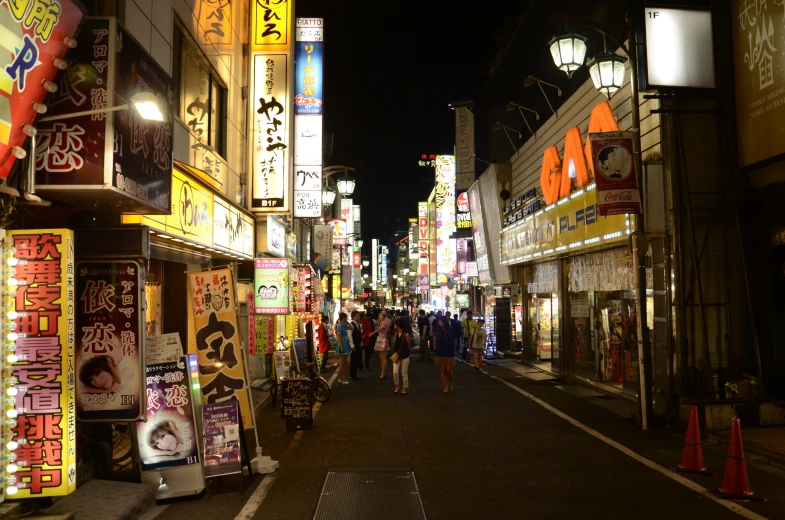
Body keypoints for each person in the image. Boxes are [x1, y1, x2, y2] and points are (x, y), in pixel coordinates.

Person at [434, 316, 456, 393]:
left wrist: (454, 348)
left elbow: (454, 340)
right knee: (443, 369)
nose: (440, 323)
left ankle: (450, 384)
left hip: (449, 350)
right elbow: (435, 339)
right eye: (439, 321)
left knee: (449, 369)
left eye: (441, 321)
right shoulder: (437, 330)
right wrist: (435, 348)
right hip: (440, 350)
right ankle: (445, 386)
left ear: (445, 322)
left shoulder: (450, 330)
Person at [392, 318, 412, 395]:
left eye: (396, 324)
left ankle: (404, 388)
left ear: (398, 325)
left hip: (405, 355)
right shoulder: (396, 334)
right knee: (395, 372)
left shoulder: (406, 334)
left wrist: (406, 351)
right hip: (397, 355)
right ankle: (397, 386)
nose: (394, 325)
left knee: (404, 373)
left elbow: (409, 345)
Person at [371, 309, 391, 379]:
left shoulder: (385, 322)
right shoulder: (381, 322)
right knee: (381, 358)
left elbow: (379, 330)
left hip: (382, 339)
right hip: (380, 338)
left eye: (381, 315)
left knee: (383, 358)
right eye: (379, 315)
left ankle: (383, 374)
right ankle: (383, 373)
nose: (380, 316)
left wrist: (372, 333)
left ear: (384, 316)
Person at [335, 312, 352, 384]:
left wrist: (347, 322)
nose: (346, 319)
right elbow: (338, 337)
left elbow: (351, 327)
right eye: (345, 318)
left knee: (344, 362)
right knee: (342, 363)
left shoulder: (344, 325)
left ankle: (341, 378)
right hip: (343, 344)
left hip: (345, 343)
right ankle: (341, 379)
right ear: (343, 318)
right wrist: (342, 346)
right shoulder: (340, 326)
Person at [349, 311, 364, 380]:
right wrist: (352, 345)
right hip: (354, 344)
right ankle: (353, 375)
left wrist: (361, 343)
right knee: (353, 360)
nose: (359, 317)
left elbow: (359, 335)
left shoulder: (358, 324)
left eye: (359, 316)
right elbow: (350, 336)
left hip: (358, 344)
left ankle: (354, 374)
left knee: (357, 359)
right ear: (353, 317)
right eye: (357, 316)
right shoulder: (351, 325)